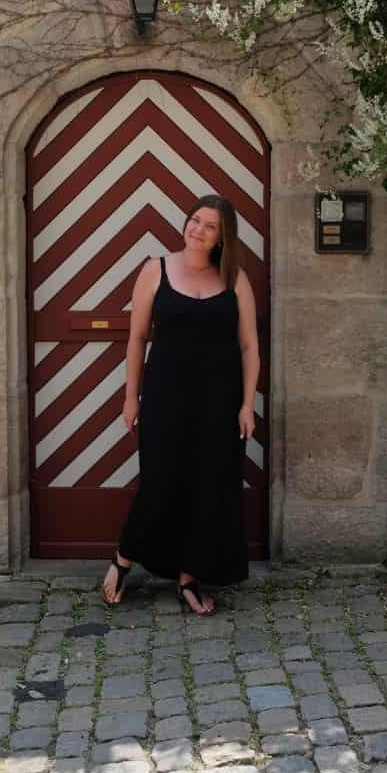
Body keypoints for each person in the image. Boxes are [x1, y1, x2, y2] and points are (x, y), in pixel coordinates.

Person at [101, 194, 260, 615]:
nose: (198, 229)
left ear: (222, 238)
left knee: (211, 489)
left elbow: (249, 347)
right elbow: (137, 339)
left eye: (209, 226)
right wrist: (130, 397)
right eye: (195, 220)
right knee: (160, 484)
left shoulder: (235, 279)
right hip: (164, 398)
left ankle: (190, 578)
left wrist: (247, 404)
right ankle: (123, 559)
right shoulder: (155, 270)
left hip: (219, 403)